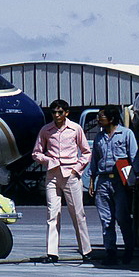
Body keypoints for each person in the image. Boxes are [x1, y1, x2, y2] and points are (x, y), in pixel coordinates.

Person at [32, 99, 93, 263]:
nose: (56, 115)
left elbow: (86, 152)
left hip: (70, 174)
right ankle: (52, 253)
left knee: (78, 213)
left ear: (66, 113)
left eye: (60, 112)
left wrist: (76, 169)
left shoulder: (75, 129)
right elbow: (36, 153)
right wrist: (48, 160)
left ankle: (86, 251)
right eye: (53, 112)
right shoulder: (46, 130)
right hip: (52, 174)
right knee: (52, 214)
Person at [89, 104, 139, 265]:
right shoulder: (99, 137)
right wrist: (92, 181)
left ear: (111, 118)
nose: (98, 119)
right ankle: (110, 252)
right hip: (103, 180)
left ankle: (129, 250)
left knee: (122, 217)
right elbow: (94, 160)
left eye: (101, 116)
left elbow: (134, 157)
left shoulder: (126, 134)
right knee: (106, 219)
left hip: (120, 181)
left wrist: (134, 180)